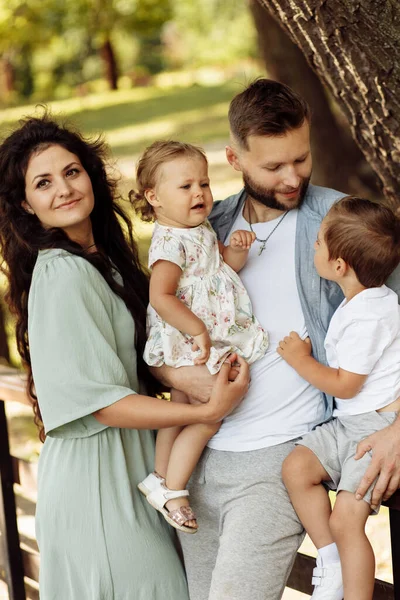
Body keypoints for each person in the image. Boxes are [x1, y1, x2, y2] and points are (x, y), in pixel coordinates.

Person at [151, 79, 400, 600]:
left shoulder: (343, 224)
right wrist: (179, 377)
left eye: (301, 159)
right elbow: (159, 338)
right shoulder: (203, 225)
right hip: (197, 462)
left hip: (277, 461)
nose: (293, 178)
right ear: (233, 158)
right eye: (272, 167)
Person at [0, 114, 250, 600]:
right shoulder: (61, 275)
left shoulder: (104, 262)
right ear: (26, 205)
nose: (64, 189)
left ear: (91, 177)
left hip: (132, 468)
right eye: (43, 183)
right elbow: (101, 402)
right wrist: (205, 411)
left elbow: (144, 354)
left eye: (72, 172)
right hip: (97, 482)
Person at [130, 140, 268, 534]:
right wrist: (198, 330)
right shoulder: (170, 243)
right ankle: (174, 490)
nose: (200, 194)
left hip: (193, 335)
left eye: (204, 184)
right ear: (154, 197)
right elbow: (161, 296)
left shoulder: (197, 228)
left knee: (181, 404)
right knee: (210, 416)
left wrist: (237, 253)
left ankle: (159, 476)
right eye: (186, 187)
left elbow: (219, 266)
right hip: (185, 336)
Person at [278, 196, 400, 600]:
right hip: (349, 424)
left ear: (338, 267)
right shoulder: (363, 302)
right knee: (297, 468)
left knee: (349, 519)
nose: (313, 247)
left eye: (317, 243)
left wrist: (300, 360)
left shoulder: (371, 317)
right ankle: (329, 562)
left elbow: (346, 384)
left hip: (374, 429)